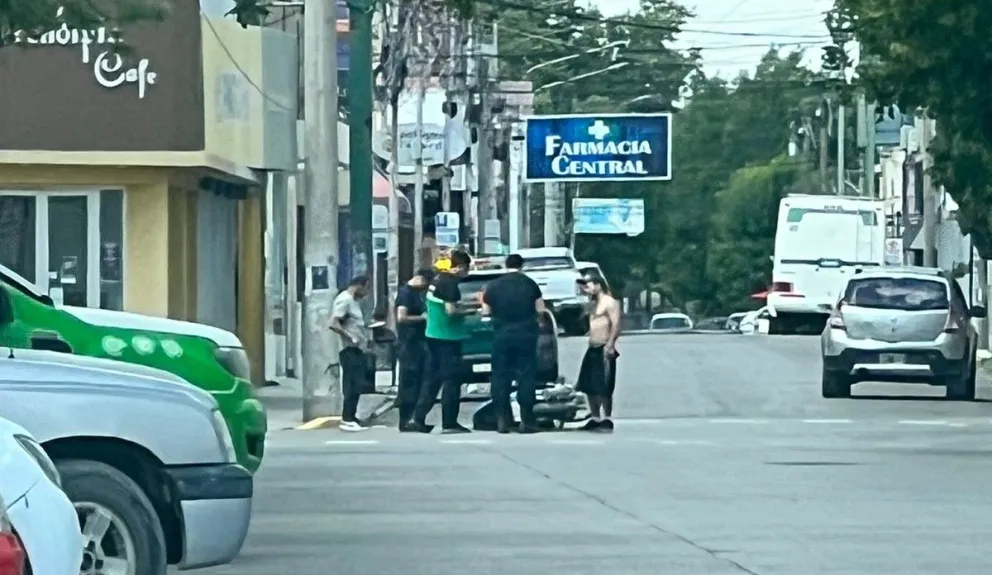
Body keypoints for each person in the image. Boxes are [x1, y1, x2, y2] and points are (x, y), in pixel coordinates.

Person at [411, 250, 477, 433]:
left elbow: (445, 305)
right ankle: (449, 422)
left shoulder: (438, 279)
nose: (468, 274)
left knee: (432, 380)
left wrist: (467, 304)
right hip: (448, 338)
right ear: (461, 267)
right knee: (451, 381)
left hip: (433, 335)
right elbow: (451, 311)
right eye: (467, 269)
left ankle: (418, 418)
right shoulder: (450, 283)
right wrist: (470, 312)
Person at [481, 254, 545, 433]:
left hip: (501, 335)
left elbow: (486, 312)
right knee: (526, 376)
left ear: (506, 265)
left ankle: (502, 419)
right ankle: (527, 420)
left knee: (500, 376)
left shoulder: (493, 286)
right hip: (526, 335)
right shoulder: (530, 284)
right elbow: (541, 310)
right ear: (522, 266)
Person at [575, 273, 621, 431]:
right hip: (592, 346)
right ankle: (595, 417)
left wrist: (610, 344)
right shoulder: (592, 304)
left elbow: (616, 324)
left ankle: (607, 418)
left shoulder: (610, 302)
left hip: (604, 346)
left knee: (604, 385)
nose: (586, 288)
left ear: (598, 284)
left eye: (588, 284)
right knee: (588, 385)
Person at [329, 275, 372, 432]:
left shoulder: (353, 301)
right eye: (366, 288)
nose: (367, 292)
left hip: (357, 348)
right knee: (351, 384)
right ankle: (347, 418)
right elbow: (333, 323)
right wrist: (350, 336)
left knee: (358, 383)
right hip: (349, 349)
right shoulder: (345, 300)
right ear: (359, 285)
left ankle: (352, 416)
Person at [395, 268, 434, 431]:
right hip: (409, 344)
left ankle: (415, 420)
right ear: (420, 279)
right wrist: (423, 318)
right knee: (409, 383)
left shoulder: (415, 294)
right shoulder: (406, 293)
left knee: (419, 382)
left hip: (418, 343)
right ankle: (405, 420)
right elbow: (401, 317)